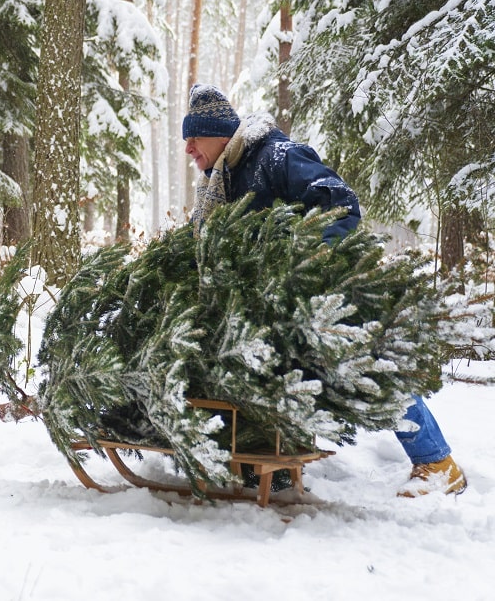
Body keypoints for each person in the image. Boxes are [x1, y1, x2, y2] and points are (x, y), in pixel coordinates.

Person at [181, 83, 467, 497]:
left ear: (220, 132)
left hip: (323, 291)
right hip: (271, 301)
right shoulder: (221, 180)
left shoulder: (275, 156)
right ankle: (270, 467)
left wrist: (308, 259)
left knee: (368, 366)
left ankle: (439, 465)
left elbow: (341, 204)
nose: (189, 148)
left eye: (194, 137)